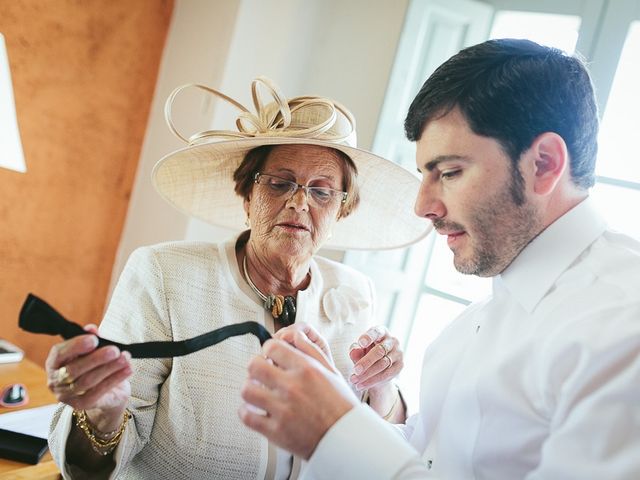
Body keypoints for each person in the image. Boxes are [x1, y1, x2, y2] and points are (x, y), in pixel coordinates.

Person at [240, 39, 640, 479]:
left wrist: (336, 432)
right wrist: (331, 397)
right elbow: (429, 460)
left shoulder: (622, 327)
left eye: (449, 173)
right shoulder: (469, 328)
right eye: (424, 175)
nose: (423, 206)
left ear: (543, 164)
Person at [44, 77, 429, 479]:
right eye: (280, 183)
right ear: (247, 196)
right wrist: (102, 414)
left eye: (321, 191)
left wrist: (383, 385)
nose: (299, 202)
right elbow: (86, 469)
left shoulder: (353, 291)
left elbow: (384, 442)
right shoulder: (164, 274)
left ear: (340, 212)